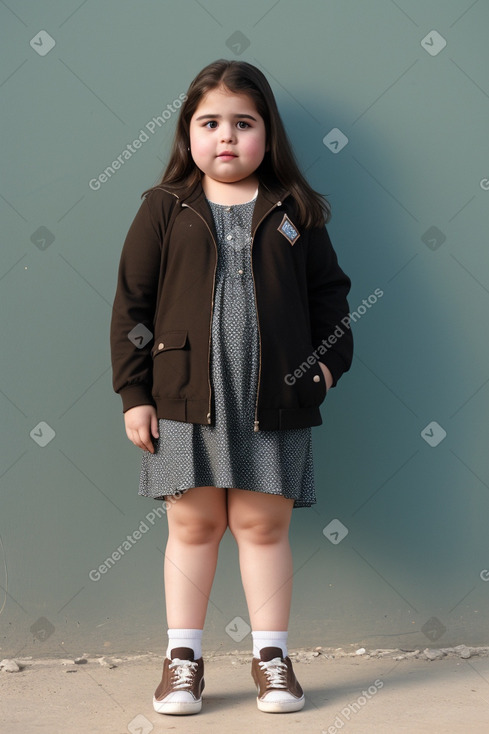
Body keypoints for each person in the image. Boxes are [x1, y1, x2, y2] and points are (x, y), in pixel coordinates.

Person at [110, 59, 353, 716]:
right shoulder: (163, 209)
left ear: (266, 134)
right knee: (191, 526)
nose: (226, 137)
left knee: (260, 525)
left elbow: (332, 301)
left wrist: (324, 370)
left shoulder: (294, 210)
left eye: (243, 124)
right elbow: (131, 308)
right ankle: (182, 660)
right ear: (187, 133)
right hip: (183, 400)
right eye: (210, 122)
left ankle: (271, 658)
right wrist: (135, 395)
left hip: (273, 403)